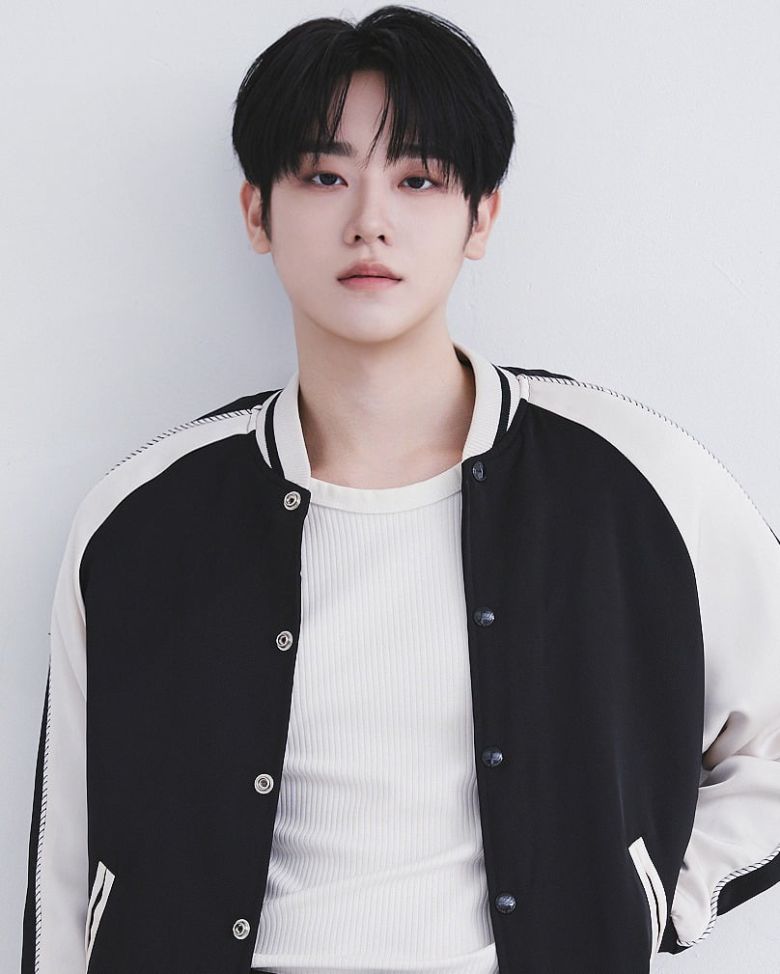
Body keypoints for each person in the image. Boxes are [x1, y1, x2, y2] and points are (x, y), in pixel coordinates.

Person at [21, 6, 780, 974]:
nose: (368, 220)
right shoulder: (142, 517)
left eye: (418, 179)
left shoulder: (635, 477)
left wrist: (648, 894)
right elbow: (66, 876)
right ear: (256, 212)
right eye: (323, 176)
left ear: (482, 216)